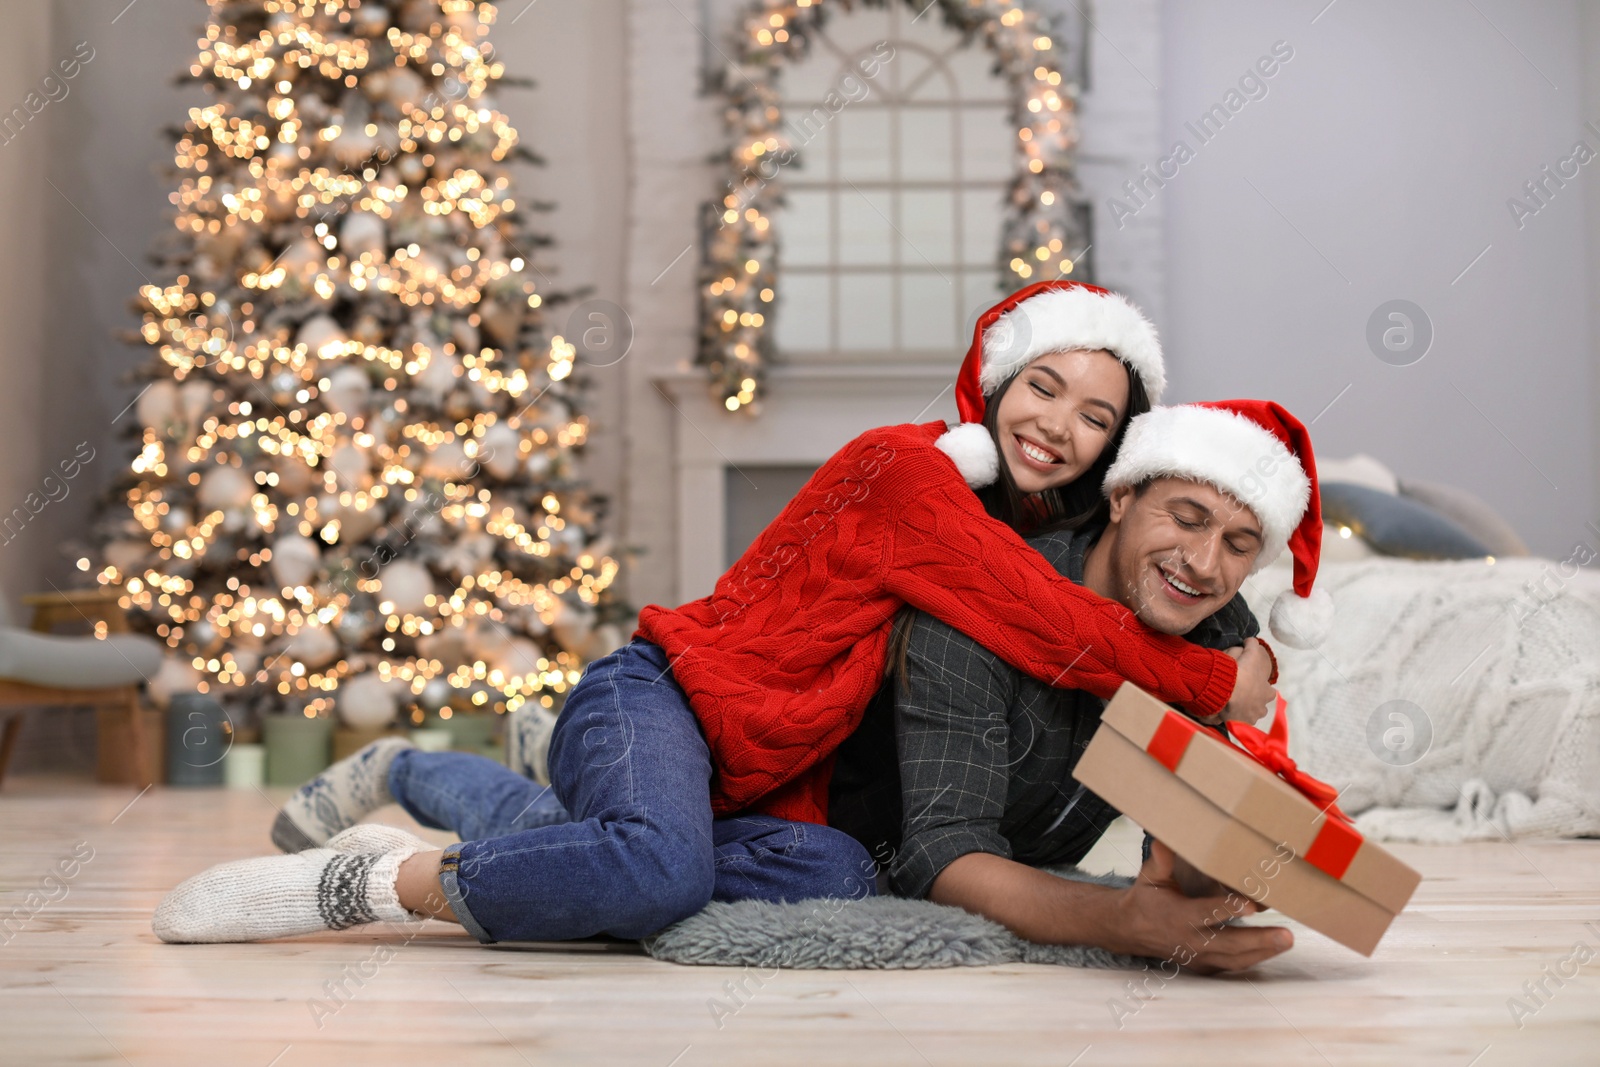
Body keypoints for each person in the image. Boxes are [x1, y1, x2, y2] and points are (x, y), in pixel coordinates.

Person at [152, 283, 1292, 945]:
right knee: (655, 872)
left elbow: (1172, 562)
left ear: (1115, 452)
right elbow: (1055, 622)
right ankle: (373, 881)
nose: (1059, 425)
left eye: (1096, 416)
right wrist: (1216, 678)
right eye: (1043, 385)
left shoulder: (1035, 525)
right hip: (667, 701)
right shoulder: (911, 473)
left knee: (838, 874)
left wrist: (1242, 636)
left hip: (758, 772)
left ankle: (416, 766)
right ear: (991, 380)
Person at [829, 399, 1332, 973]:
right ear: (1121, 499)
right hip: (852, 844)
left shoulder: (1218, 631)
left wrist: (1221, 866)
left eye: (1239, 545)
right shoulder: (984, 604)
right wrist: (1122, 921)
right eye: (1187, 519)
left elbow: (1174, 839)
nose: (1203, 564)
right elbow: (940, 854)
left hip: (1031, 863)